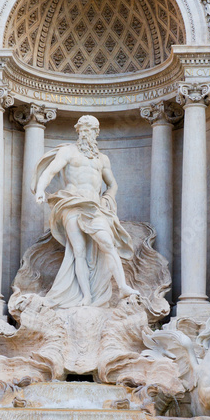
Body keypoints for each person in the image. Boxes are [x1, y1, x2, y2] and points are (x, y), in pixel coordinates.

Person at [31, 115, 139, 308]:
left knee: (108, 243)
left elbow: (112, 184)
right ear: (78, 131)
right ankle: (86, 296)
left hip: (94, 207)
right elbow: (50, 172)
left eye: (90, 130)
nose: (86, 133)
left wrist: (108, 198)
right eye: (83, 129)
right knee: (78, 251)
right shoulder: (68, 152)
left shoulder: (102, 159)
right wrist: (40, 189)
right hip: (71, 203)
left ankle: (122, 286)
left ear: (96, 133)